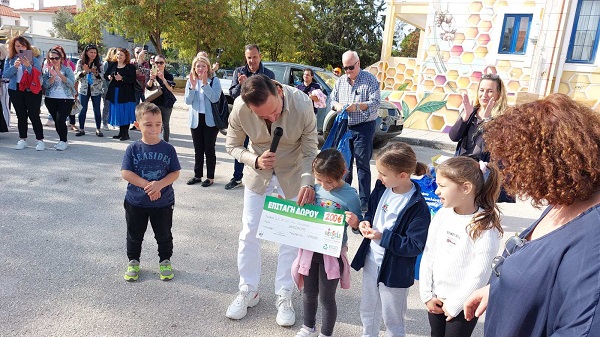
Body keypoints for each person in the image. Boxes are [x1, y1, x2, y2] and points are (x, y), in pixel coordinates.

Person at [463, 93, 600, 337]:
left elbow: (581, 329)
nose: (510, 174)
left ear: (549, 164)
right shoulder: (567, 199)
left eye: (516, 163)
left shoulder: (593, 239)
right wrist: (497, 288)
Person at [224, 74, 318, 326]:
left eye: (275, 111)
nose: (272, 119)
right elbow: (231, 145)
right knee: (249, 232)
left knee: (289, 236)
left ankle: (284, 293)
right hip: (258, 173)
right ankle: (248, 289)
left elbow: (310, 150)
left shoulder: (302, 103)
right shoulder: (241, 107)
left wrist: (308, 182)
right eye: (264, 117)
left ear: (278, 90)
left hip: (293, 174)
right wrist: (253, 159)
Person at [350, 142, 431, 337]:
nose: (378, 177)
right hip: (371, 260)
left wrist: (382, 237)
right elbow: (372, 212)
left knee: (392, 318)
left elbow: (414, 245)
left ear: (402, 175)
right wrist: (365, 223)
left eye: (383, 173)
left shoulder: (418, 207)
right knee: (368, 309)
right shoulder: (382, 188)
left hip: (395, 270)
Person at [419, 156, 502, 337]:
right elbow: (429, 254)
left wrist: (455, 304)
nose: (437, 190)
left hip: (464, 303)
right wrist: (427, 295)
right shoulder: (442, 214)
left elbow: (480, 274)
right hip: (436, 298)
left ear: (465, 188)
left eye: (442, 186)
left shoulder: (484, 226)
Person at [292, 148, 362, 337]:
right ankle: (308, 327)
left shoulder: (350, 196)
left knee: (327, 298)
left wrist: (355, 223)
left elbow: (359, 224)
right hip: (310, 249)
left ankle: (326, 333)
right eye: (319, 180)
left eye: (329, 181)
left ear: (343, 173)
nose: (324, 185)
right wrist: (287, 210)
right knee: (308, 293)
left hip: (332, 253)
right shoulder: (313, 188)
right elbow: (300, 212)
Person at [120, 101, 181, 282]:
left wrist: (159, 185)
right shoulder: (133, 149)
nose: (154, 129)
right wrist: (149, 185)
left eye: (157, 124)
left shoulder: (168, 149)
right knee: (134, 234)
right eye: (148, 125)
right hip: (136, 202)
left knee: (164, 234)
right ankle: (133, 261)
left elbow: (175, 172)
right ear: (138, 125)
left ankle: (165, 260)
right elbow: (126, 172)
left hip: (163, 202)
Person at [330, 50, 381, 212]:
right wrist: (337, 106)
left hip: (364, 127)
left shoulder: (370, 80)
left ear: (358, 63)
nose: (348, 72)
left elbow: (375, 102)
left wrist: (357, 106)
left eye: (351, 67)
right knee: (344, 163)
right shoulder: (341, 81)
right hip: (345, 126)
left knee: (362, 164)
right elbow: (332, 99)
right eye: (345, 68)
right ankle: (345, 196)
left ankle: (364, 201)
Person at [224, 44, 275, 190]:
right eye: (249, 58)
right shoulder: (239, 72)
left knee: (259, 148)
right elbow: (233, 94)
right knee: (240, 147)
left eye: (254, 57)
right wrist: (242, 85)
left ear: (260, 56)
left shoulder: (268, 74)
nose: (252, 61)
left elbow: (270, 97)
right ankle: (237, 177)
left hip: (261, 118)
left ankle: (263, 177)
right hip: (242, 117)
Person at [448, 73, 507, 161]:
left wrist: (487, 121)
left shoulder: (503, 118)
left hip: (484, 168)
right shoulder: (471, 111)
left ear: (498, 94)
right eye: (481, 90)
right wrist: (465, 118)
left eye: (490, 91)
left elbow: (498, 148)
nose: (484, 95)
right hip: (462, 163)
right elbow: (454, 137)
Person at [184, 56, 221, 187]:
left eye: (203, 66)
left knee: (209, 149)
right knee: (198, 149)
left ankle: (210, 177)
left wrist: (205, 85)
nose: (200, 69)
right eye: (198, 66)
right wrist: (193, 88)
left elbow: (215, 98)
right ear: (194, 67)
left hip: (210, 120)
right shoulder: (191, 81)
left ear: (208, 68)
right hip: (196, 119)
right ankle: (197, 175)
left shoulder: (214, 81)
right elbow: (187, 101)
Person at [3, 36, 45, 150]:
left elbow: (38, 75)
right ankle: (22, 139)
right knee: (21, 115)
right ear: (13, 47)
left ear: (27, 46)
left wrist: (28, 66)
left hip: (30, 89)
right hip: (15, 89)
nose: (20, 48)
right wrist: (14, 67)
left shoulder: (34, 59)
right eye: (17, 46)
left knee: (34, 114)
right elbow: (5, 75)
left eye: (22, 45)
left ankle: (40, 140)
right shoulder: (10, 59)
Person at [42, 48, 76, 151]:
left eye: (56, 58)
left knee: (61, 119)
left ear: (61, 59)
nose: (54, 60)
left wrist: (59, 74)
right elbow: (45, 85)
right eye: (51, 58)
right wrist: (52, 76)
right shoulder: (47, 70)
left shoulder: (67, 70)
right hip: (50, 98)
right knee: (56, 121)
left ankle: (63, 140)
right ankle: (62, 140)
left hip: (65, 98)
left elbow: (71, 83)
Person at [104, 48, 137, 141]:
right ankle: (121, 132)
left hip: (126, 93)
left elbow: (132, 79)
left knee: (125, 112)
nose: (119, 56)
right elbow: (105, 74)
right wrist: (109, 76)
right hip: (115, 92)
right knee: (118, 112)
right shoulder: (113, 65)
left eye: (121, 55)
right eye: (118, 54)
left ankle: (125, 133)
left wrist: (122, 78)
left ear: (126, 56)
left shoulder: (130, 67)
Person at [74, 44, 104, 137]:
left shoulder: (99, 63)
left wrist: (96, 73)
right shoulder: (80, 62)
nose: (93, 54)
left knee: (97, 110)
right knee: (82, 110)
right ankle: (81, 129)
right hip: (83, 89)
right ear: (86, 52)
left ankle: (98, 129)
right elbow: (76, 76)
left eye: (95, 52)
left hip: (96, 89)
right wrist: (84, 71)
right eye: (91, 52)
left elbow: (103, 77)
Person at [145, 54, 176, 142]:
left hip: (166, 102)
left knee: (165, 124)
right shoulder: (151, 72)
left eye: (161, 62)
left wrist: (163, 79)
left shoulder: (168, 75)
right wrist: (151, 78)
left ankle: (165, 143)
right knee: (152, 123)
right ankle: (152, 141)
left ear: (165, 63)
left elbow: (171, 89)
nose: (159, 64)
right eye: (157, 62)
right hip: (153, 102)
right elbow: (148, 87)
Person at [101, 47, 117, 130]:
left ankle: (112, 122)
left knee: (113, 106)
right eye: (115, 53)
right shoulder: (106, 63)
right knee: (106, 106)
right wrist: (105, 88)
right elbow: (103, 77)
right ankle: (104, 123)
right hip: (106, 88)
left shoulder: (117, 63)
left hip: (115, 88)